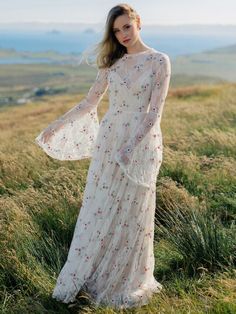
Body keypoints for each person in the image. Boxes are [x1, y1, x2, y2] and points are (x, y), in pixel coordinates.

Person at [35, 3, 171, 310]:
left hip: (141, 145)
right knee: (100, 207)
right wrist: (55, 126)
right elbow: (89, 103)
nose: (122, 34)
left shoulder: (159, 61)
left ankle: (128, 277)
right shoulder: (111, 64)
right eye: (116, 30)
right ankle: (93, 275)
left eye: (126, 26)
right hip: (109, 142)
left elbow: (154, 114)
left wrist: (131, 146)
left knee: (134, 211)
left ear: (139, 23)